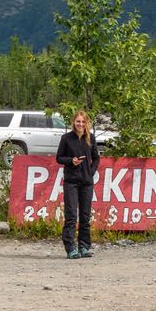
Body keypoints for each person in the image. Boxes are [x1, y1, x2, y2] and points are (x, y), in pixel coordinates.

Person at [55, 110, 100, 259]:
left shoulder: (91, 138)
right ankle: (70, 248)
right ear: (73, 122)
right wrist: (71, 161)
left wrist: (91, 172)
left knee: (85, 216)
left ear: (86, 123)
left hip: (87, 182)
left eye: (83, 122)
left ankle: (84, 246)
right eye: (78, 121)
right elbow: (59, 158)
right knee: (71, 216)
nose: (80, 124)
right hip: (71, 182)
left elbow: (96, 158)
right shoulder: (66, 138)